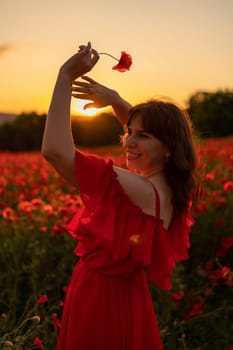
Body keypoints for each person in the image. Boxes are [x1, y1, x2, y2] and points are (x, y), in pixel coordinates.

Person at [42, 42, 202, 350]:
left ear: (167, 147)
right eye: (130, 131)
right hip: (126, 295)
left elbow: (55, 152)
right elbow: (152, 136)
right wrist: (115, 100)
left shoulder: (138, 189)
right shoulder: (172, 185)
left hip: (100, 300)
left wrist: (64, 77)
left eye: (141, 135)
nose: (129, 140)